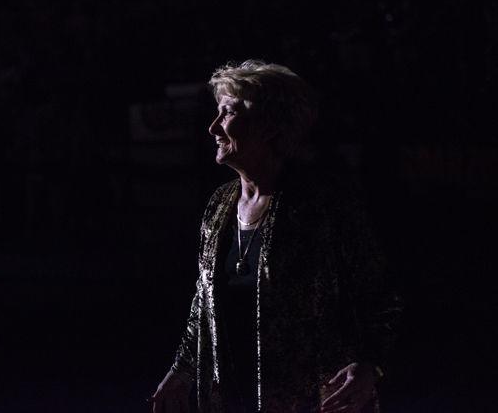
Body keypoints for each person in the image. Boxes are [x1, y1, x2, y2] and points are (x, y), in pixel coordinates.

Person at [151, 60, 402, 413]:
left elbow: (382, 295)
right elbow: (202, 301)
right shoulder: (220, 204)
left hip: (316, 401)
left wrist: (371, 366)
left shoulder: (322, 204)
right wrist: (182, 370)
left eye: (227, 113)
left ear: (270, 126)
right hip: (233, 399)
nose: (213, 128)